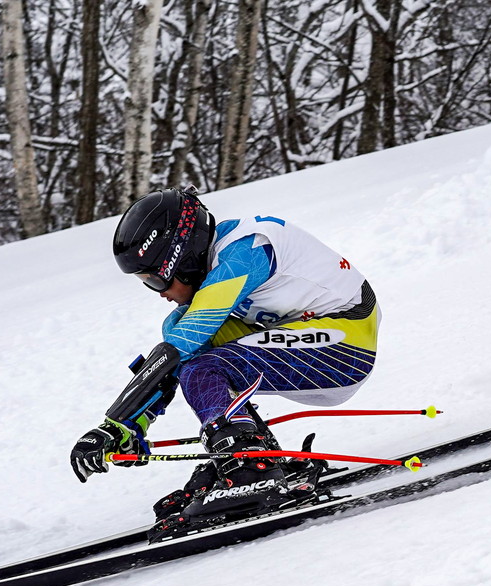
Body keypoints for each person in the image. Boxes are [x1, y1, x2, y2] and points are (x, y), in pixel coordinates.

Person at [69, 186, 381, 529]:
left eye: (156, 280)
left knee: (196, 356)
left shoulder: (245, 251)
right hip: (310, 339)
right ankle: (248, 456)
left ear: (182, 259)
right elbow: (177, 353)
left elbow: (182, 345)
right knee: (183, 340)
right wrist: (134, 424)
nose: (160, 294)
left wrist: (114, 423)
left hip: (345, 350)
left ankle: (248, 465)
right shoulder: (223, 260)